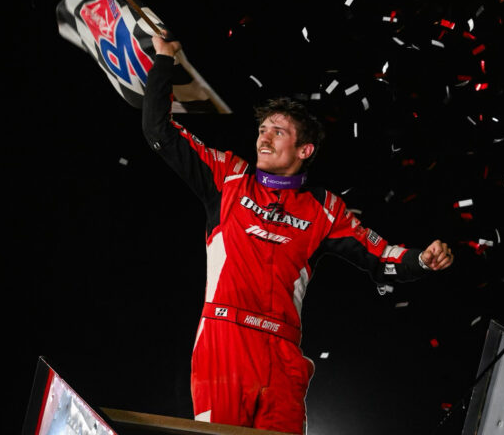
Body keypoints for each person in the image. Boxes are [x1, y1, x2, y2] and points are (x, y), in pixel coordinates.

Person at [144, 32, 454, 434]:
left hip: (283, 353)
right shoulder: (229, 178)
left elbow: (381, 259)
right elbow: (159, 131)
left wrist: (422, 261)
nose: (263, 137)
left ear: (305, 150)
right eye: (262, 129)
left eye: (277, 131)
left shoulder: (325, 209)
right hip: (225, 340)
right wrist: (164, 60)